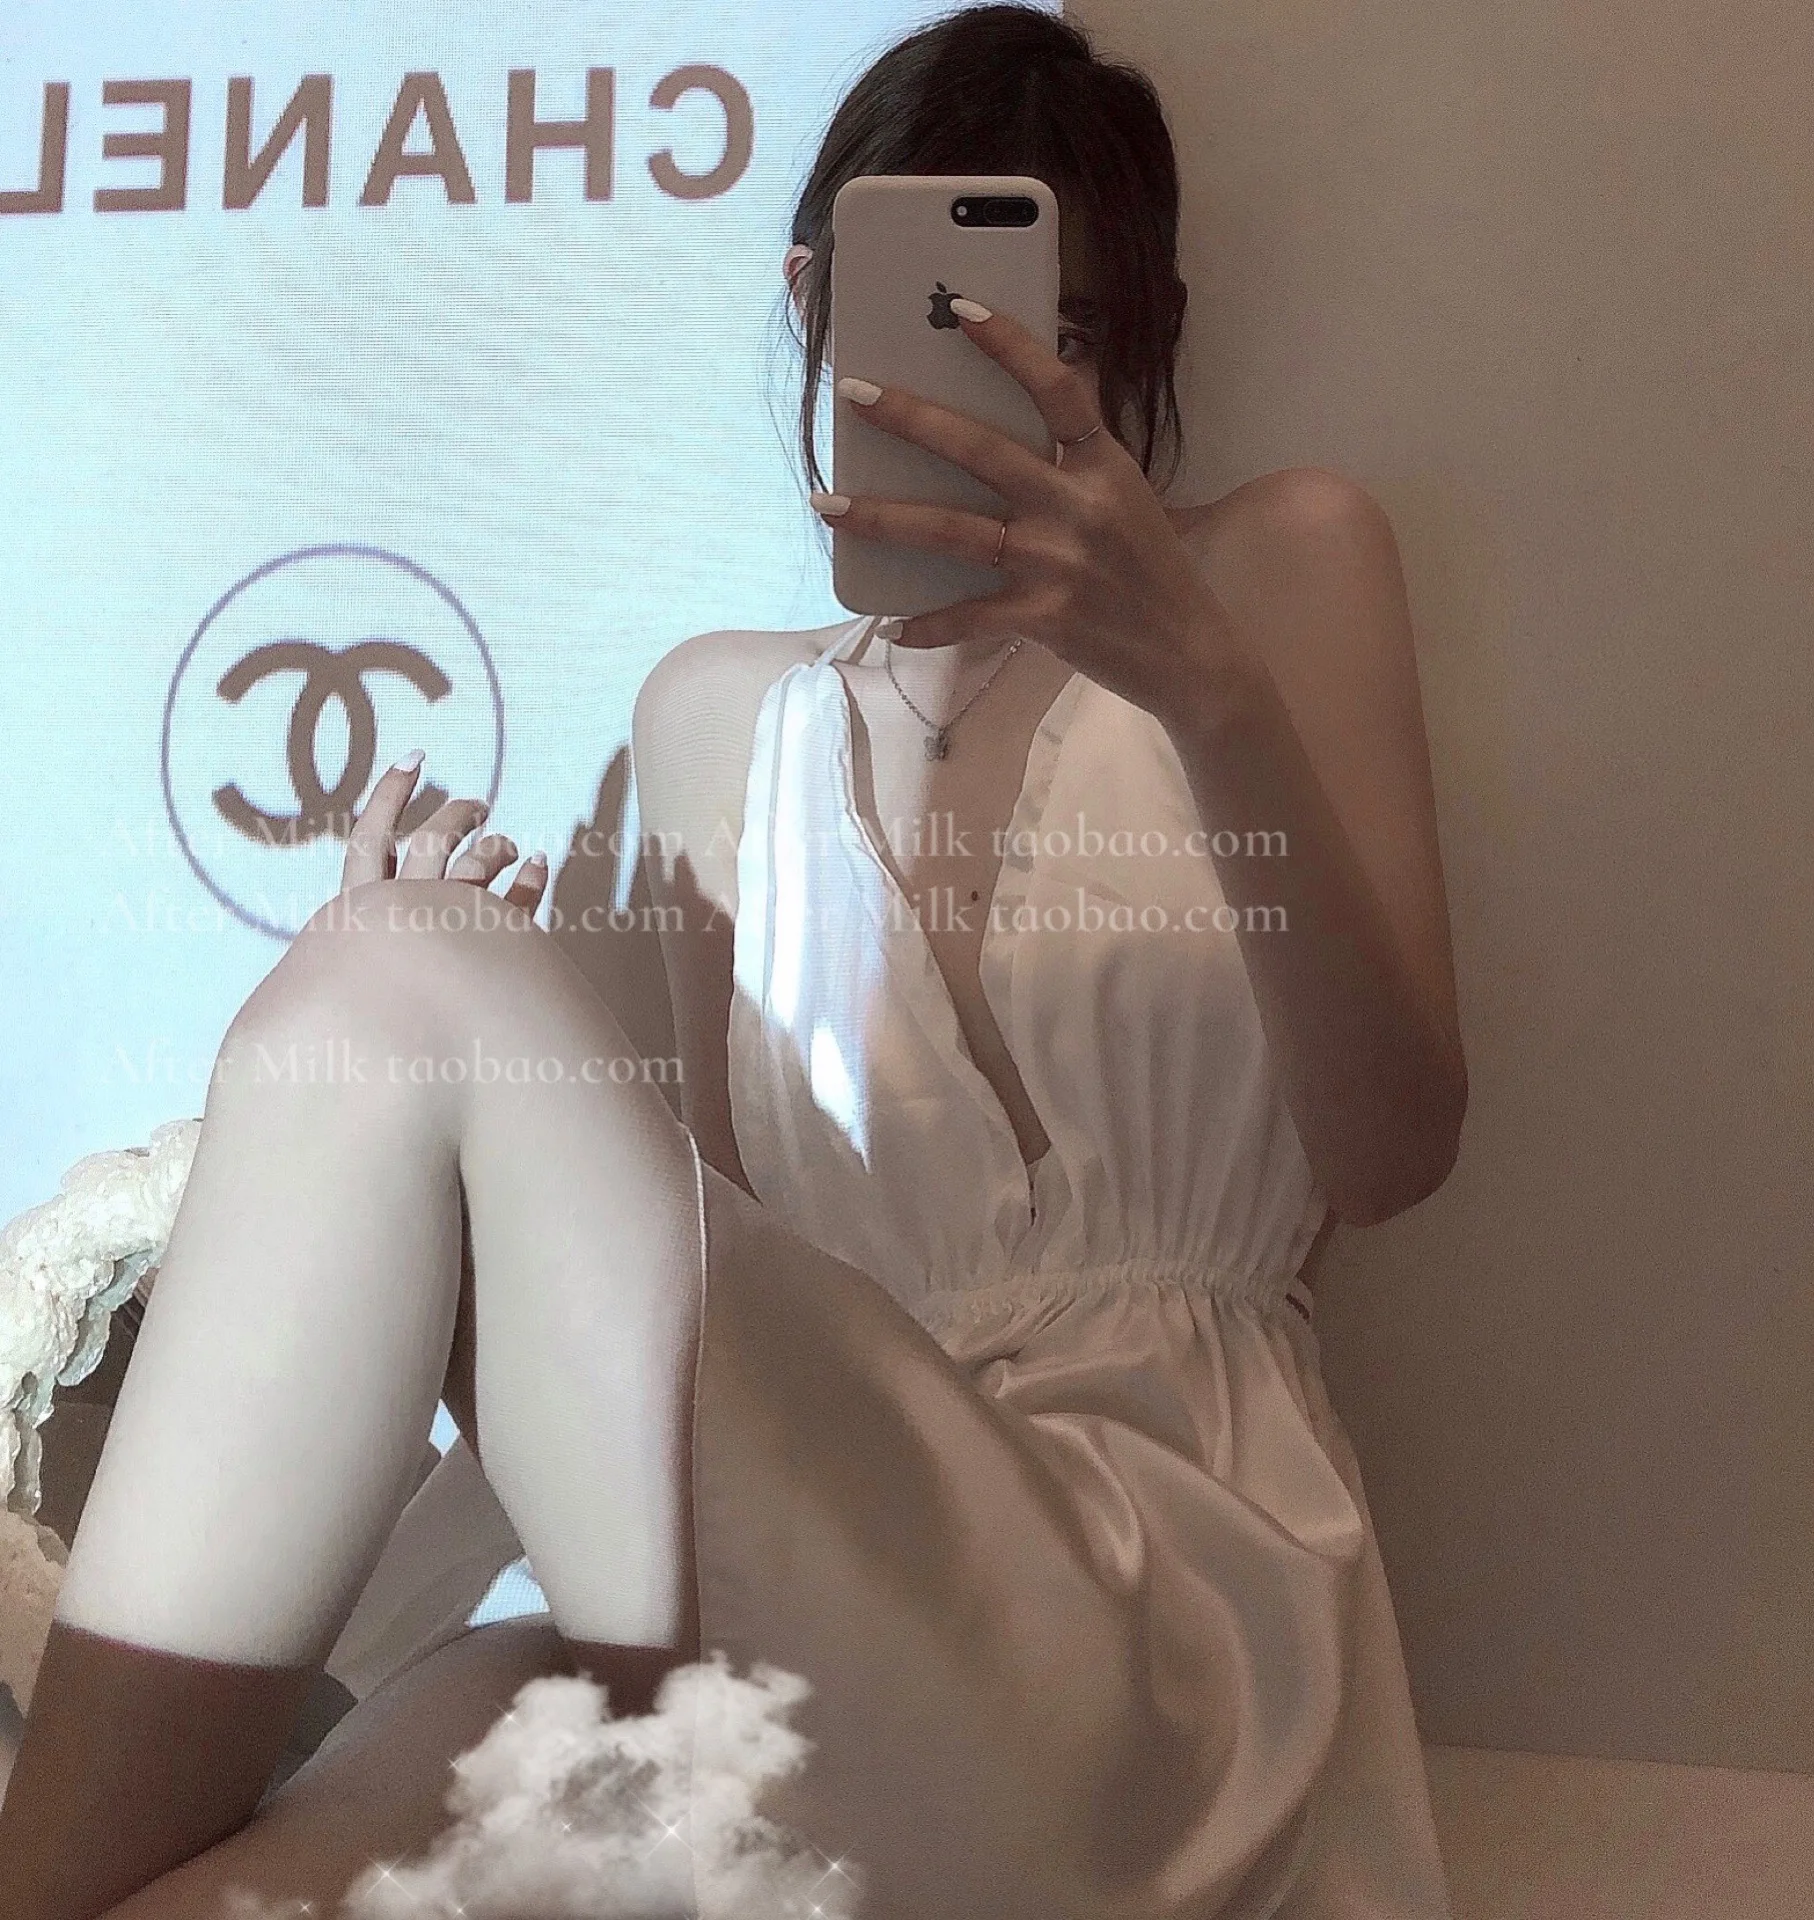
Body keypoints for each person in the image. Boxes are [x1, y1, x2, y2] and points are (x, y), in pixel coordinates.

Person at [0, 7, 1466, 1916]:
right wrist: (439, 1019)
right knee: (327, 1801)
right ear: (811, 304)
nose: (1001, 387)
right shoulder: (715, 717)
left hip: (1157, 1645)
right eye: (928, 326)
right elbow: (725, 1290)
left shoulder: (1278, 568)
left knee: (411, 976)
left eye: (1067, 331)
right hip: (815, 1589)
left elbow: (1392, 1151)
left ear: (1142, 336)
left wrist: (1200, 685)